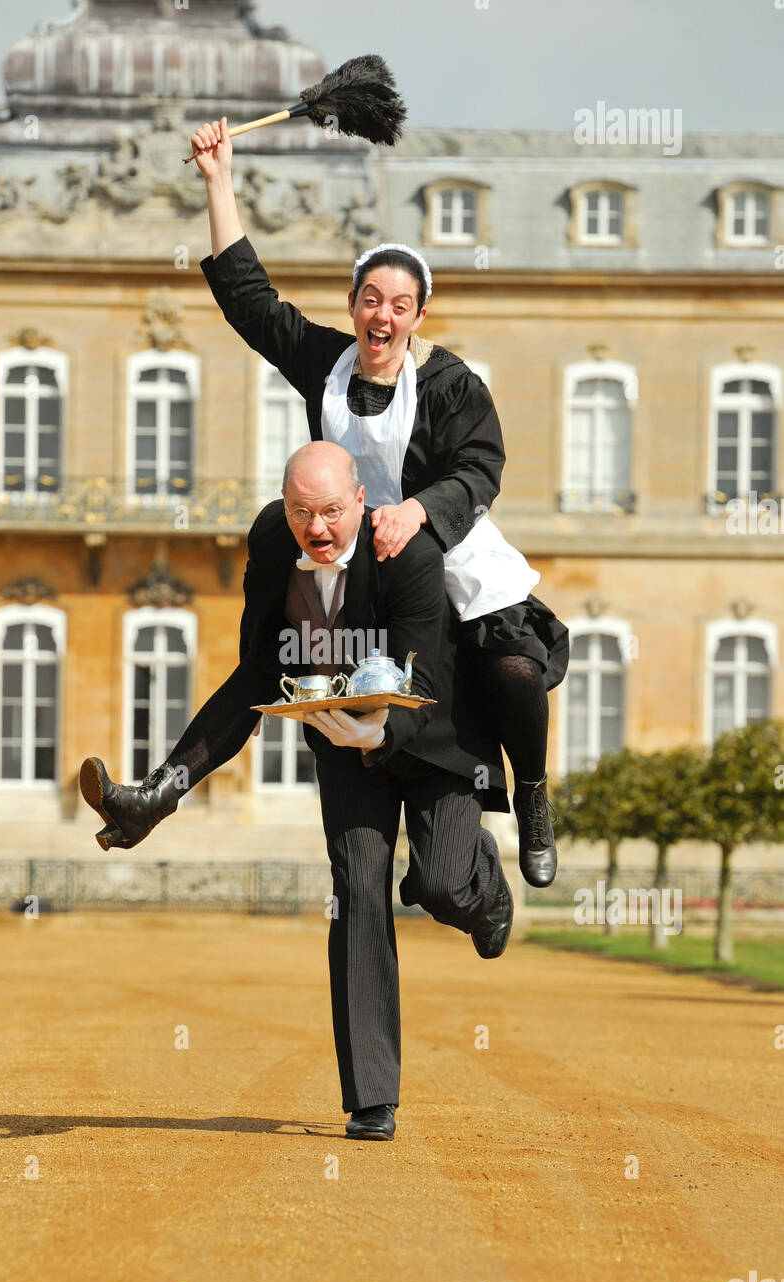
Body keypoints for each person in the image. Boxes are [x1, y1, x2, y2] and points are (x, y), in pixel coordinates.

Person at [80, 443, 514, 1141]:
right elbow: (256, 675)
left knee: (439, 885)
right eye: (301, 512)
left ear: (361, 504)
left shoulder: (408, 556)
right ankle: (373, 1097)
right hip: (341, 738)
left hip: (435, 739)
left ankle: (477, 881)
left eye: (332, 512)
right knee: (358, 883)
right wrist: (170, 784)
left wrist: (377, 737)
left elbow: (427, 684)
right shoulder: (271, 545)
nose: (317, 528)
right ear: (284, 508)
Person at [187, 116, 569, 888]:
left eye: (400, 304)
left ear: (419, 316)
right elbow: (251, 302)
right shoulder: (326, 363)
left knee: (518, 675)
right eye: (370, 299)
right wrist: (219, 180)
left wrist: (419, 510)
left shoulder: (450, 382)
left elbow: (482, 465)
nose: (382, 316)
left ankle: (529, 792)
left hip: (445, 551)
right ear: (354, 305)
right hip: (356, 563)